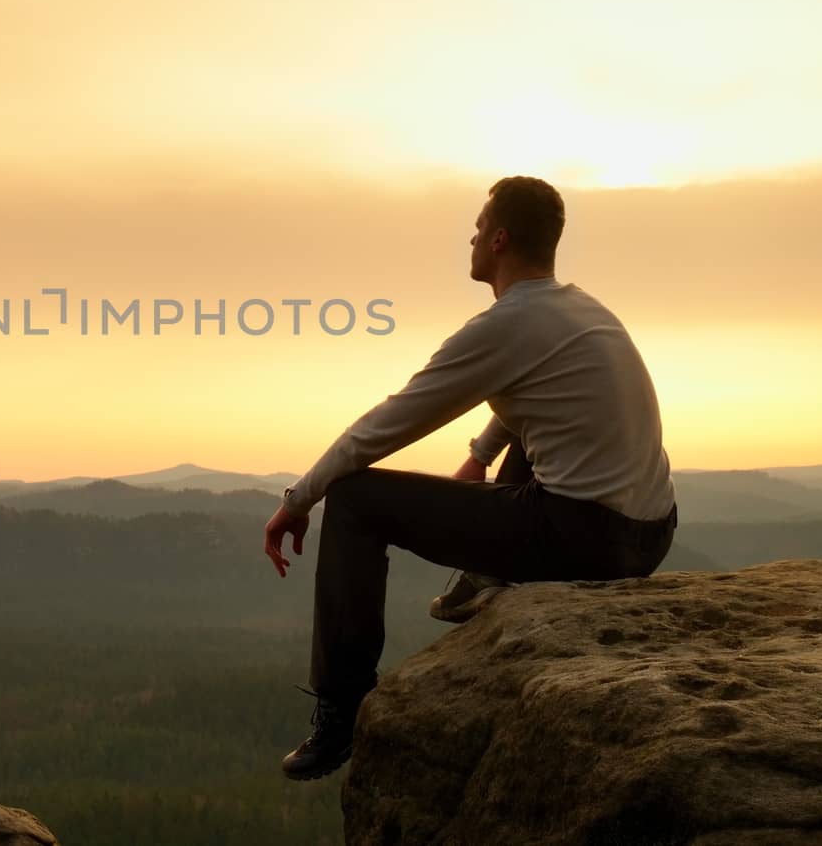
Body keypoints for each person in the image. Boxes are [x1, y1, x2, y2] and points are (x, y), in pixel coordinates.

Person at [263, 175, 677, 781]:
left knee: (353, 498)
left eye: (480, 228)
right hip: (653, 531)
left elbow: (389, 422)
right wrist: (481, 456)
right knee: (549, 456)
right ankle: (486, 573)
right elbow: (539, 394)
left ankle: (340, 710)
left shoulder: (505, 324)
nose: (473, 236)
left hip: (585, 538)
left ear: (501, 238)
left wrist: (300, 499)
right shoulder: (581, 309)